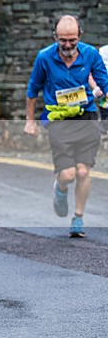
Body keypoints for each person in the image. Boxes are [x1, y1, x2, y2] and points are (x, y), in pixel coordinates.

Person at [24, 15, 108, 238]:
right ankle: (60, 189)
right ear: (55, 37)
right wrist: (30, 121)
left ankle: (78, 218)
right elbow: (33, 90)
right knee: (68, 174)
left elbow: (104, 83)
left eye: (72, 40)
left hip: (86, 117)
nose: (68, 45)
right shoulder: (44, 58)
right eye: (63, 40)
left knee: (83, 171)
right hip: (59, 121)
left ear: (80, 36)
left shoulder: (91, 55)